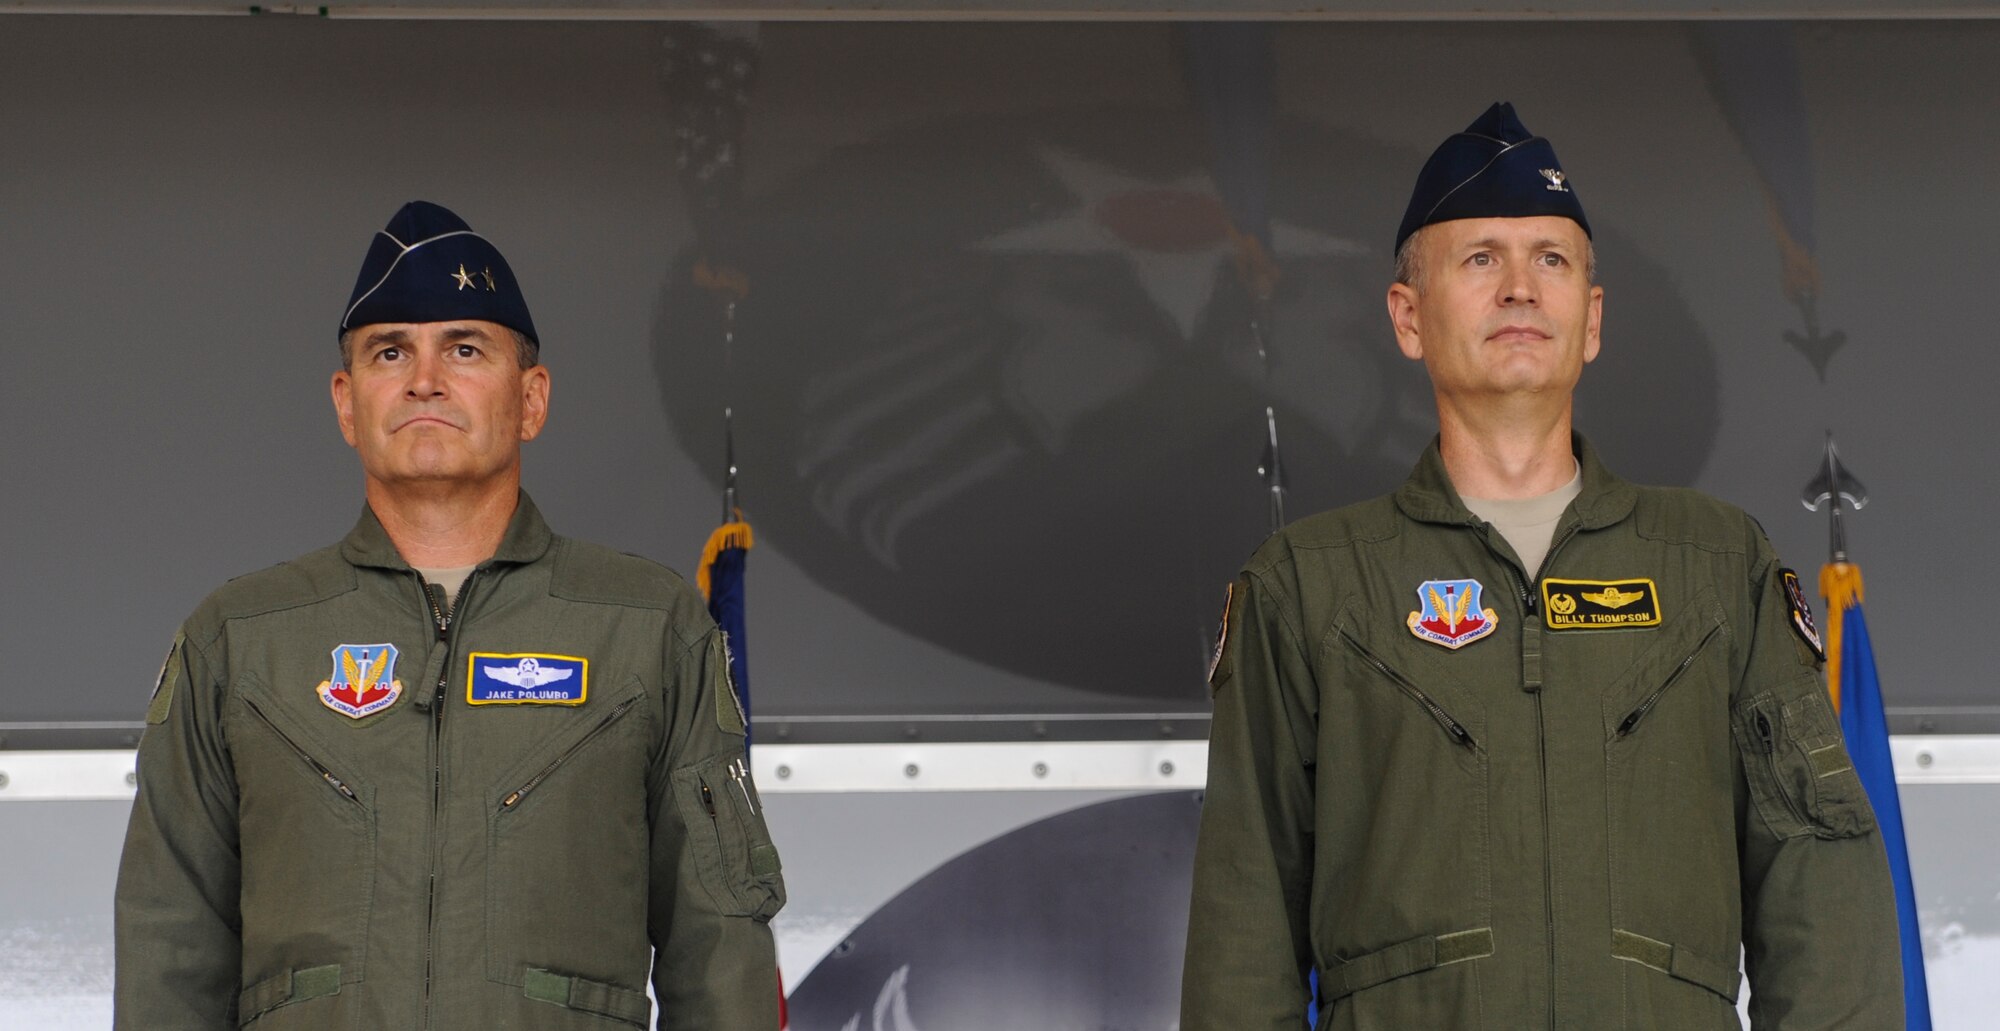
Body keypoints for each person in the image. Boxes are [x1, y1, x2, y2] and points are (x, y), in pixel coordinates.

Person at [1181, 103, 1902, 1029]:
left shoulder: (1719, 567)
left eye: (1552, 260)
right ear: (1408, 316)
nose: (1521, 288)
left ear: (1591, 320)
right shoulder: (1308, 586)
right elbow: (1242, 939)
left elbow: (1825, 901)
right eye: (1482, 258)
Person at [115, 201, 785, 1029]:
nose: (424, 378)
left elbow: (720, 953)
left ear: (532, 398)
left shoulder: (646, 627)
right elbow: (169, 953)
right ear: (346, 403)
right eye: (389, 351)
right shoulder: (240, 638)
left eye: (464, 348)